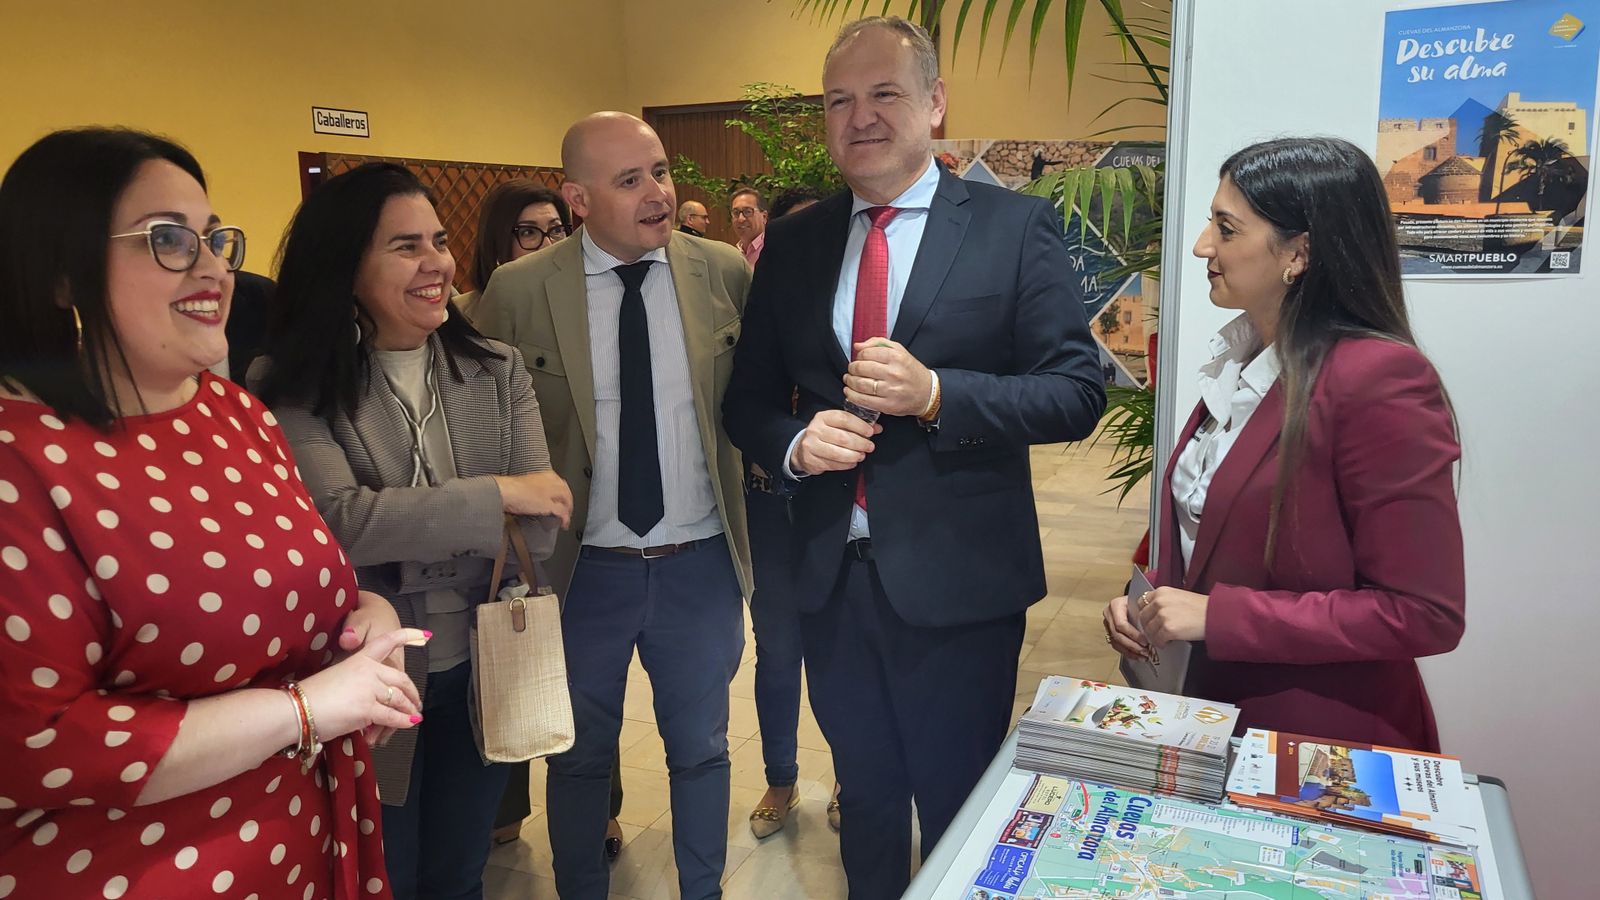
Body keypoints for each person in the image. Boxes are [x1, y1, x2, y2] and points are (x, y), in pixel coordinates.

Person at [722, 17, 1105, 898]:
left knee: (957, 802)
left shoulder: (1014, 227)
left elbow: (1076, 391)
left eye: (884, 93)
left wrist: (938, 395)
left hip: (959, 583)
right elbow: (745, 398)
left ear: (935, 103)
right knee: (864, 799)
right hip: (828, 577)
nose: (859, 117)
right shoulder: (800, 241)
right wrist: (792, 445)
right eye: (838, 100)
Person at [0, 127, 422, 898]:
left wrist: (370, 620)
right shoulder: (20, 458)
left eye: (213, 238)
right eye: (168, 240)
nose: (214, 268)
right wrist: (304, 710)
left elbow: (295, 599)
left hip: (306, 836)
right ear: (62, 273)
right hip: (139, 868)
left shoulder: (234, 414)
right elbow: (38, 743)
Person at [250, 162, 572, 900]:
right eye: (405, 246)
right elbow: (336, 525)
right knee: (381, 874)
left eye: (439, 240)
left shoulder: (495, 368)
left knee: (460, 872)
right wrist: (494, 496)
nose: (436, 264)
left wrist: (406, 533)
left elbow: (543, 526)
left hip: (481, 668)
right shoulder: (291, 383)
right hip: (369, 677)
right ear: (346, 266)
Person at [1102, 136, 1465, 752]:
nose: (1201, 246)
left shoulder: (1377, 379)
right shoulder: (1244, 362)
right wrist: (1147, 601)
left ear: (1299, 252)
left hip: (1320, 743)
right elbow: (1213, 532)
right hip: (1214, 718)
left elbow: (1423, 611)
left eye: (1226, 228)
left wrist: (1217, 617)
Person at [474, 111, 752, 900]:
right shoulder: (521, 291)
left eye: (660, 172)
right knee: (580, 756)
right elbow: (483, 423)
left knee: (701, 748)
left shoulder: (722, 271)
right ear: (578, 198)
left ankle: (704, 890)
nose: (658, 193)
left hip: (697, 563)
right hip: (580, 572)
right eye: (629, 180)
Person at [740, 181, 832, 840]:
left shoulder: (862, 312)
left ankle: (853, 775)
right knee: (777, 651)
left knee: (842, 649)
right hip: (769, 505)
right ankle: (781, 775)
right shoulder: (755, 312)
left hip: (842, 512)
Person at [454, 180, 569, 325]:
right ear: (498, 244)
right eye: (528, 232)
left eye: (556, 230)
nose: (548, 245)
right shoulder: (457, 315)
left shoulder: (584, 306)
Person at [730, 187, 767, 268]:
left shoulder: (774, 248)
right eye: (736, 213)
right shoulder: (732, 254)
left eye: (747, 212)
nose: (740, 219)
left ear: (764, 216)